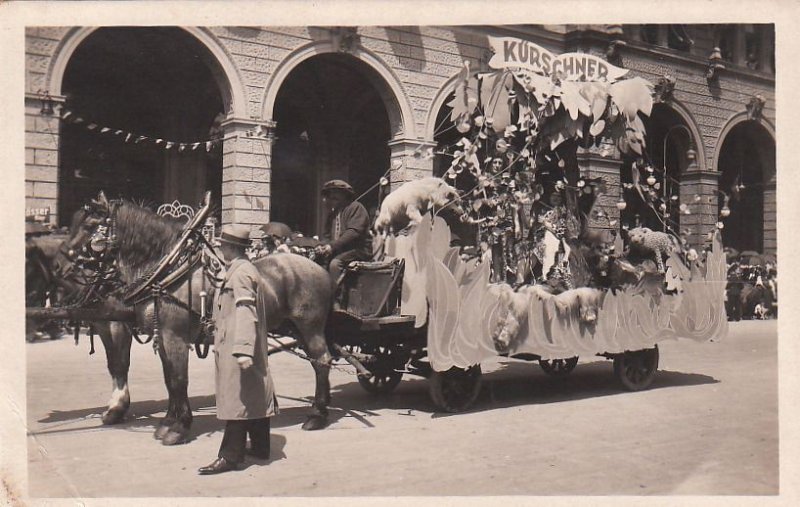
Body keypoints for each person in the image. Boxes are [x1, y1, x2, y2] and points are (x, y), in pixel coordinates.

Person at [199, 224, 277, 475]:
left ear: (232, 247)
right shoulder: (239, 269)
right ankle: (262, 447)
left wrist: (243, 349)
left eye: (223, 245)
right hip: (237, 340)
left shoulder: (241, 274)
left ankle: (230, 456)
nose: (220, 248)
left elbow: (245, 311)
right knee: (253, 392)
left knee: (237, 398)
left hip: (239, 344)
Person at [315, 179, 372, 282]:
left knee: (335, 264)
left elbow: (353, 232)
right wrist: (322, 246)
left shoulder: (356, 207)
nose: (333, 197)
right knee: (316, 263)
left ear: (345, 195)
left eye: (337, 193)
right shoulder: (332, 214)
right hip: (339, 250)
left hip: (358, 250)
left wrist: (332, 246)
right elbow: (327, 236)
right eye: (331, 194)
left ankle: (337, 296)